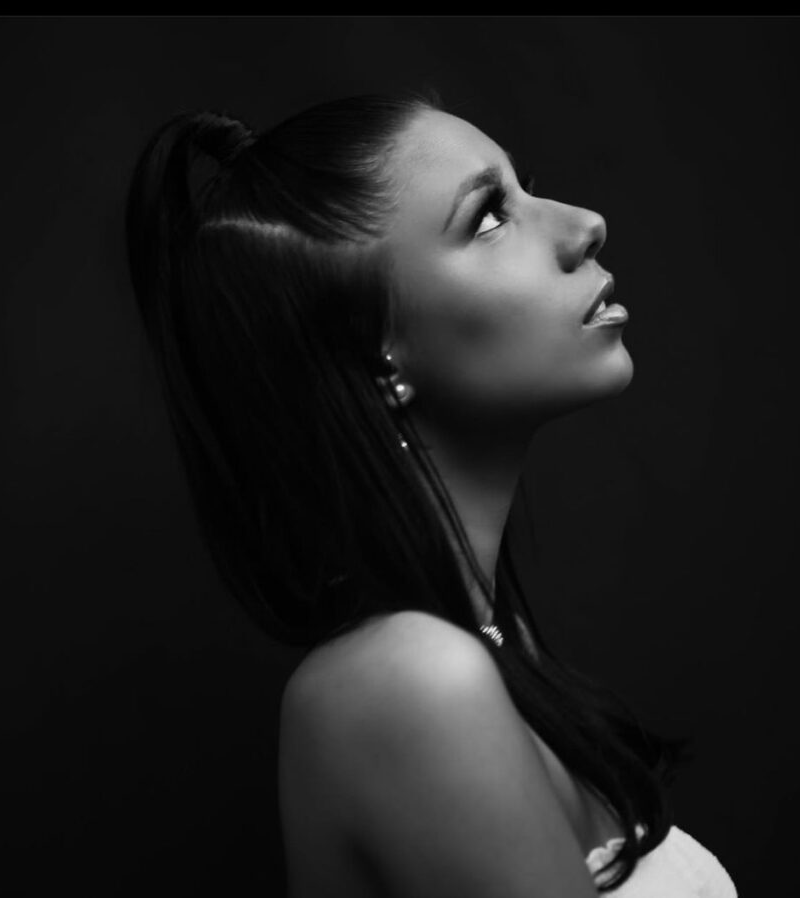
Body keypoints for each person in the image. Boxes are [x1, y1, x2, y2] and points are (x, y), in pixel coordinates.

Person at [124, 90, 737, 897]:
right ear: (377, 353)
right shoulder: (413, 680)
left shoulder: (488, 650)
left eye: (525, 189)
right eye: (488, 216)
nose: (584, 222)